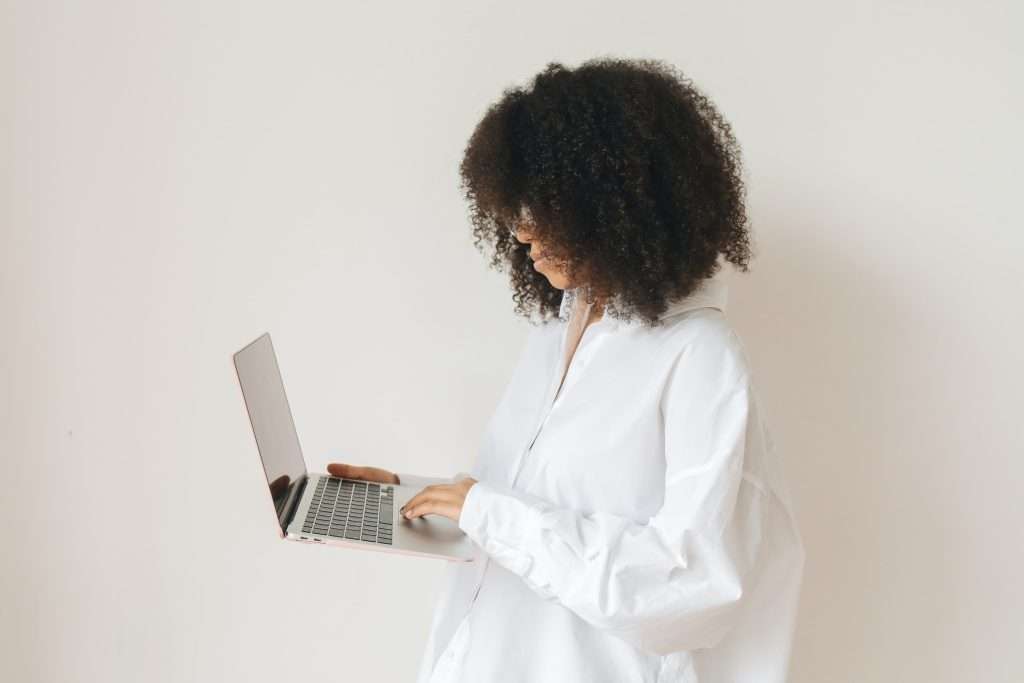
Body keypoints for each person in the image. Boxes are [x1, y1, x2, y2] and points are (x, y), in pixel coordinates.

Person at [328, 57, 805, 682]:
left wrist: (487, 513)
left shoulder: (700, 361)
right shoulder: (561, 331)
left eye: (544, 207)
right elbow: (538, 517)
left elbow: (692, 587)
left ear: (615, 209)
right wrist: (420, 501)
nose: (521, 230)